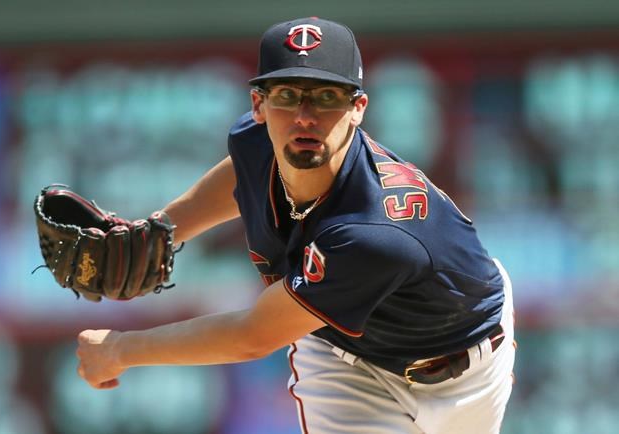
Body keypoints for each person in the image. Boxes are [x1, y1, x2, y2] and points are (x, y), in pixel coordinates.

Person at [76, 17, 516, 434]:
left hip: (462, 370)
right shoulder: (260, 141)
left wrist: (119, 351)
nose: (304, 116)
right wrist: (165, 230)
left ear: (358, 107)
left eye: (326, 97)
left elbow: (252, 336)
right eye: (287, 95)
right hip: (342, 358)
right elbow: (243, 170)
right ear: (259, 106)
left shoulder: (372, 233)